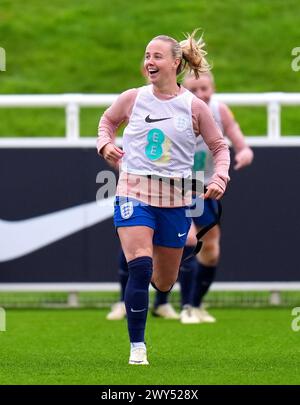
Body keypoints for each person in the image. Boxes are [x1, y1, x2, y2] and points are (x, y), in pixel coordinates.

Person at [97, 31, 230, 365]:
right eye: (146, 56)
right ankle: (137, 347)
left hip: (174, 199)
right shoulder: (133, 98)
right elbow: (107, 122)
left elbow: (219, 147)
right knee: (140, 264)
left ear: (175, 62)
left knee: (164, 280)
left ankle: (163, 293)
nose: (149, 62)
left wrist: (219, 176)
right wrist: (105, 144)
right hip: (133, 190)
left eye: (156, 56)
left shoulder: (194, 107)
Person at [152, 71, 254, 323]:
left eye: (204, 88)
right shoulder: (174, 112)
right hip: (177, 188)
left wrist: (243, 150)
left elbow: (234, 135)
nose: (200, 95)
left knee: (211, 251)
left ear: (213, 87)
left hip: (207, 188)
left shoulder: (220, 111)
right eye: (193, 90)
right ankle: (184, 306)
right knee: (187, 242)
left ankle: (194, 304)